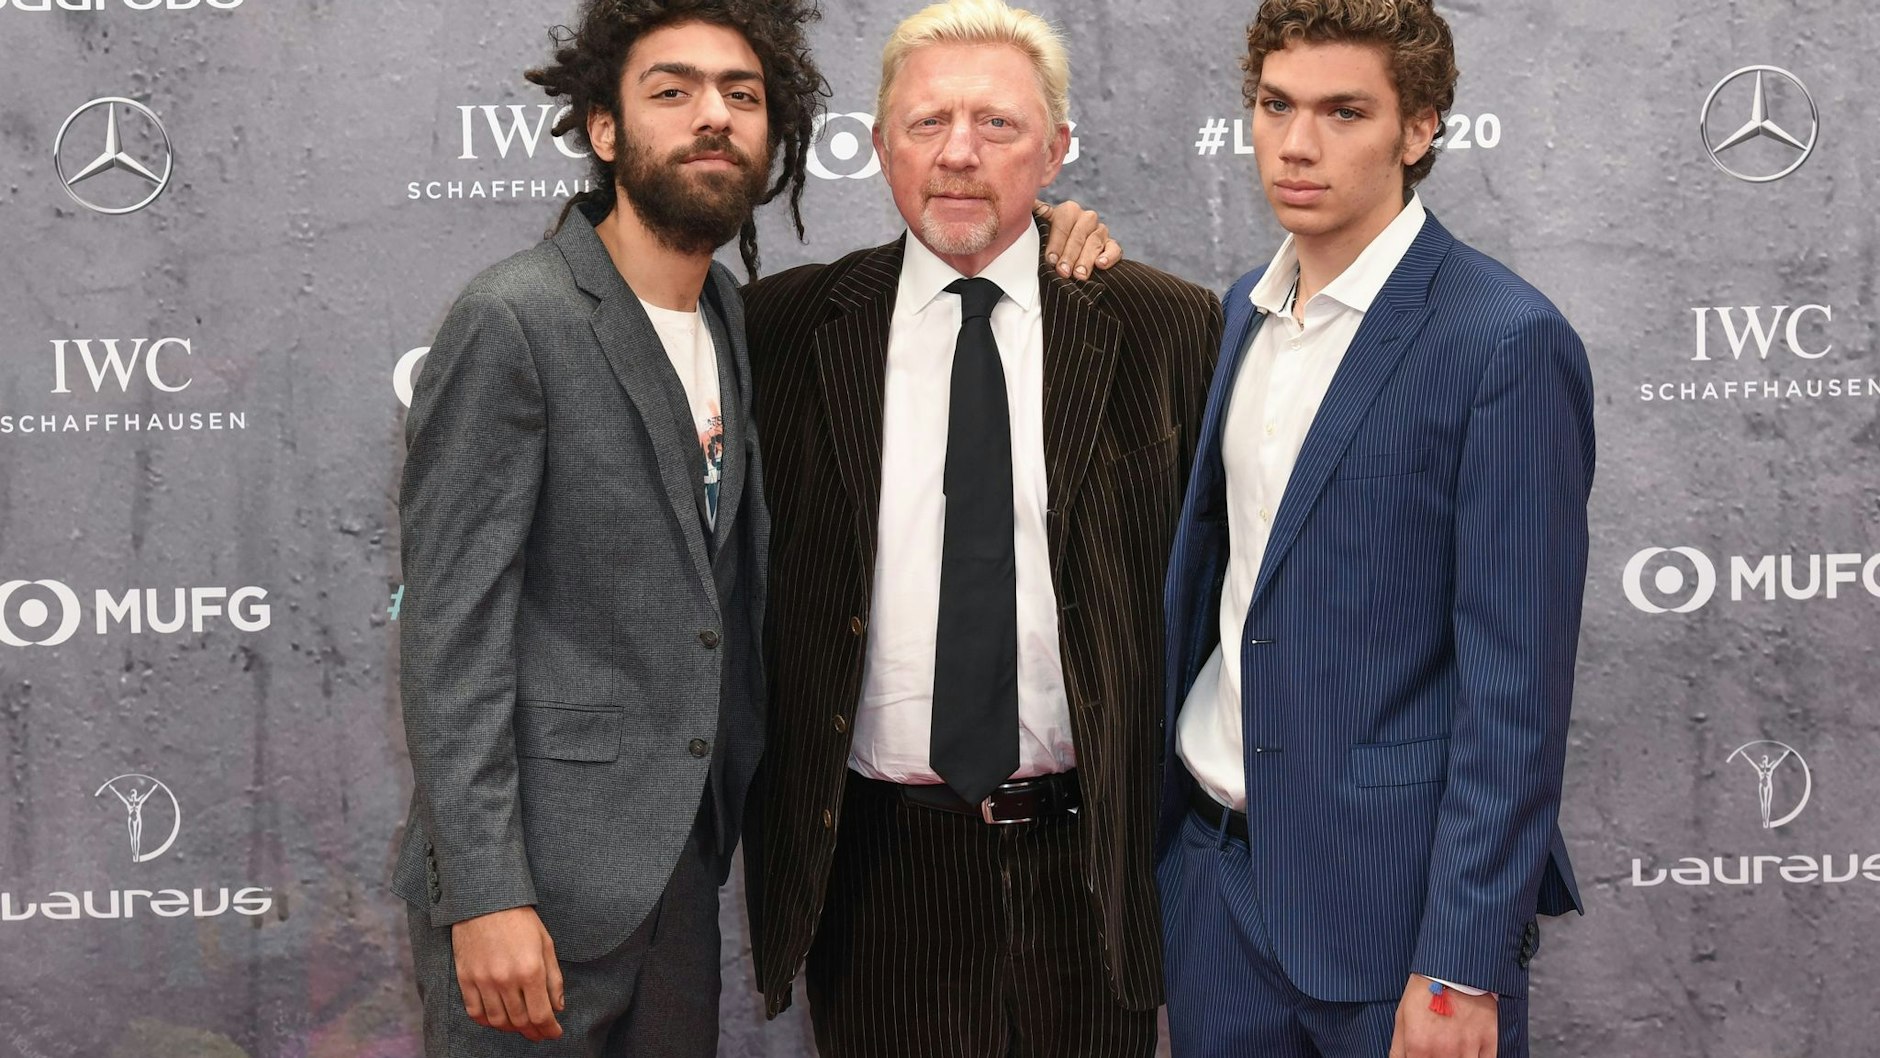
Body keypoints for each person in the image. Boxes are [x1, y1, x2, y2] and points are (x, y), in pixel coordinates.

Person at [741, 2, 1222, 1055]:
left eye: (997, 125)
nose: (958, 153)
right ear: (876, 147)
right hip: (874, 872)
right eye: (926, 123)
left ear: (1054, 149)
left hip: (1089, 868)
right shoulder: (779, 330)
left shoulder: (1165, 326)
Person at [1157, 2, 1593, 1057]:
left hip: (1395, 922)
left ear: (1417, 129)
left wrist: (1457, 962)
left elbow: (1514, 693)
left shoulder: (1503, 342)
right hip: (1215, 894)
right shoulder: (1237, 318)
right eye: (1274, 106)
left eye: (1343, 111)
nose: (1296, 144)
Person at [390, 2, 821, 1054]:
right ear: (605, 130)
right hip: (529, 897)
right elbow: (451, 633)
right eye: (671, 91)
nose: (712, 117)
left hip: (675, 874)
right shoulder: (516, 317)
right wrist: (484, 894)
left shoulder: (728, 310)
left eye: (742, 94)